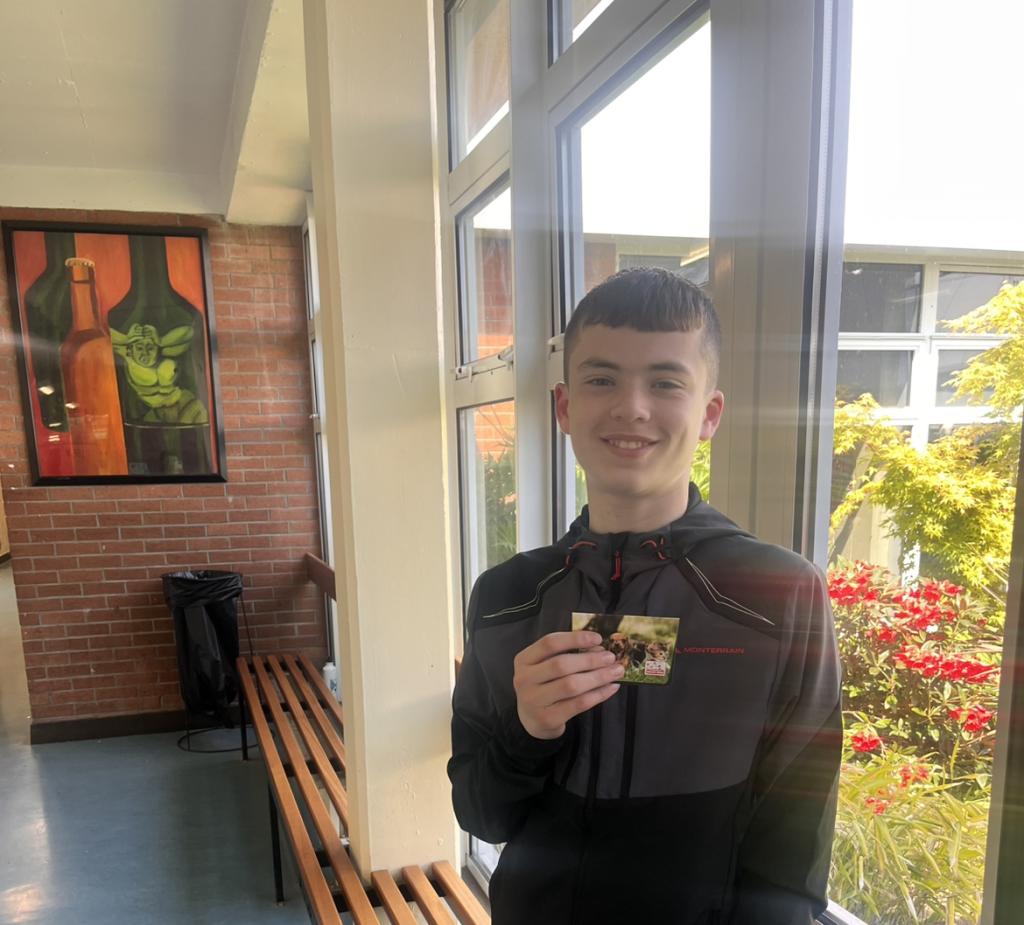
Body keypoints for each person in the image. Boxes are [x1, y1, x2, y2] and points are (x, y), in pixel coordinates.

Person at [448, 267, 842, 924]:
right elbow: (481, 815)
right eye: (602, 379)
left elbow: (794, 852)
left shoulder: (777, 595)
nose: (631, 407)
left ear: (709, 414)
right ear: (565, 406)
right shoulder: (506, 598)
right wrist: (528, 731)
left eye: (665, 382)